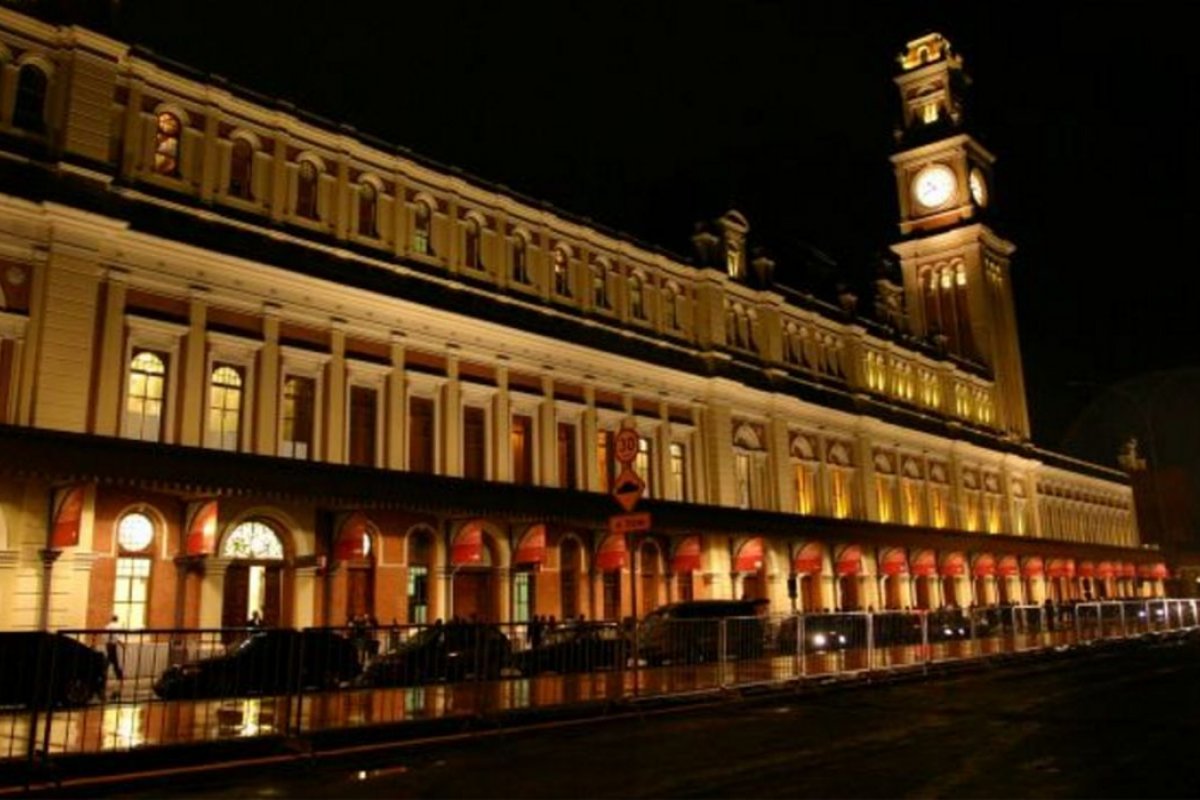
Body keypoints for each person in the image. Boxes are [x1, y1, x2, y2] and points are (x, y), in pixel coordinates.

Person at [105, 615, 124, 683]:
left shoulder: (108, 626)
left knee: (111, 660)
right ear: (117, 619)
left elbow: (106, 636)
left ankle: (118, 675)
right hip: (113, 644)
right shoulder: (117, 626)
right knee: (113, 660)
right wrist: (121, 643)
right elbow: (116, 636)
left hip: (108, 644)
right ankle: (119, 676)